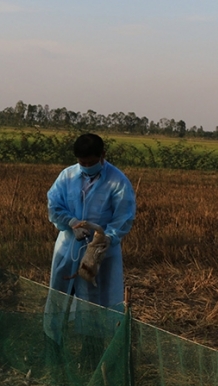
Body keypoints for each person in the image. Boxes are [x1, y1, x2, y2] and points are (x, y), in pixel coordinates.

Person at [44, 133, 136, 368]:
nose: (85, 167)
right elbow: (54, 205)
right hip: (68, 246)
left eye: (90, 162)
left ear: (102, 156)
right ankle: (53, 347)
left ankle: (90, 353)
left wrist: (105, 241)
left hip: (100, 253)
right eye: (81, 163)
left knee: (94, 301)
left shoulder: (118, 181)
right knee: (59, 296)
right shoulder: (67, 176)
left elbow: (123, 218)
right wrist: (71, 222)